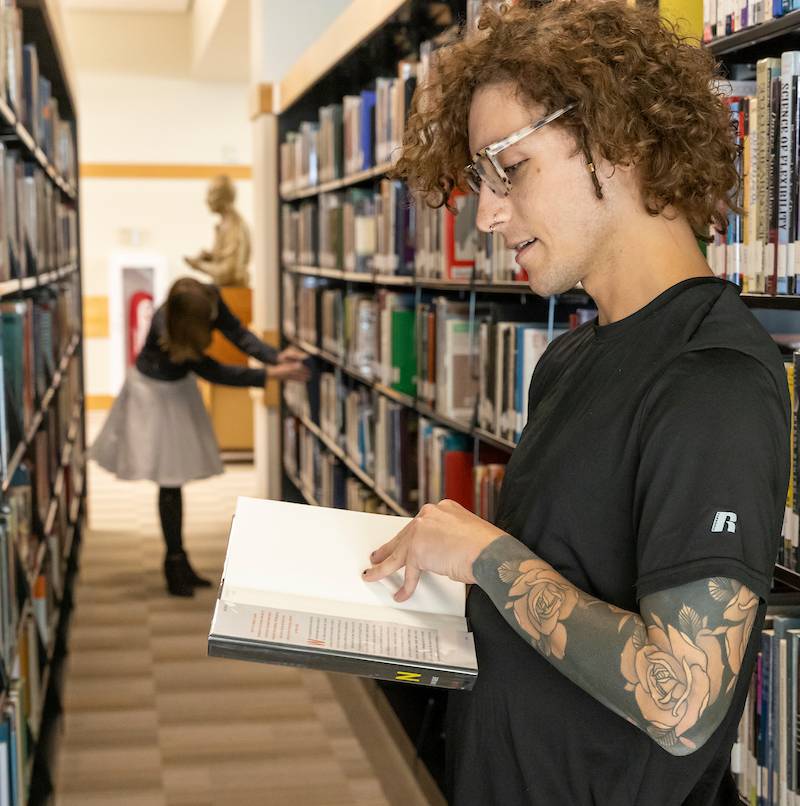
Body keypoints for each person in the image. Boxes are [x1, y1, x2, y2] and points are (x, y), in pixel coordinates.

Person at [364, 2, 790, 804]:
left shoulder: (713, 382)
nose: (487, 215)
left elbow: (682, 701)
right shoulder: (567, 361)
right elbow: (565, 590)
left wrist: (486, 557)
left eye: (509, 170)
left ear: (616, 140)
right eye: (480, 183)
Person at [91, 277, 309, 597]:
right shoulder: (168, 326)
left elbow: (237, 332)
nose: (212, 320)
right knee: (169, 479)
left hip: (178, 389)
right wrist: (267, 375)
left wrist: (274, 357)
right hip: (153, 394)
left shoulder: (209, 298)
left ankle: (179, 561)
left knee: (174, 479)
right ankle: (174, 561)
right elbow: (212, 370)